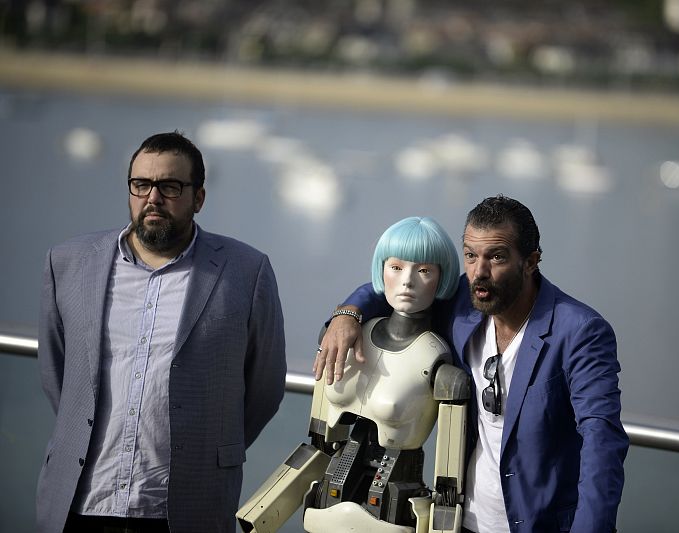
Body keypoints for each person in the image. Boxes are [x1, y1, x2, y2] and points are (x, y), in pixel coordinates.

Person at [315, 195, 628, 533]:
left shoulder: (580, 331)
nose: (479, 272)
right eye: (470, 256)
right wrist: (348, 313)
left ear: (531, 261)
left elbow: (602, 441)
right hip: (460, 521)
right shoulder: (464, 305)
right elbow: (396, 288)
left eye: (496, 257)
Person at [36, 131, 287, 533]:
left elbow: (266, 385)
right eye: (141, 185)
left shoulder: (246, 271)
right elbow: (57, 373)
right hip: (80, 504)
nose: (153, 198)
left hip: (185, 508)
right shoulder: (68, 262)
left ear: (198, 198)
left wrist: (206, 447)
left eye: (170, 186)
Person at [238, 216, 470, 533]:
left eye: (424, 270)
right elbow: (318, 442)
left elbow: (448, 483)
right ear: (382, 269)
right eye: (396, 267)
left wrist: (443, 519)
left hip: (394, 509)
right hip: (325, 507)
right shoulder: (346, 336)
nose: (407, 281)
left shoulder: (436, 360)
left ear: (441, 279)